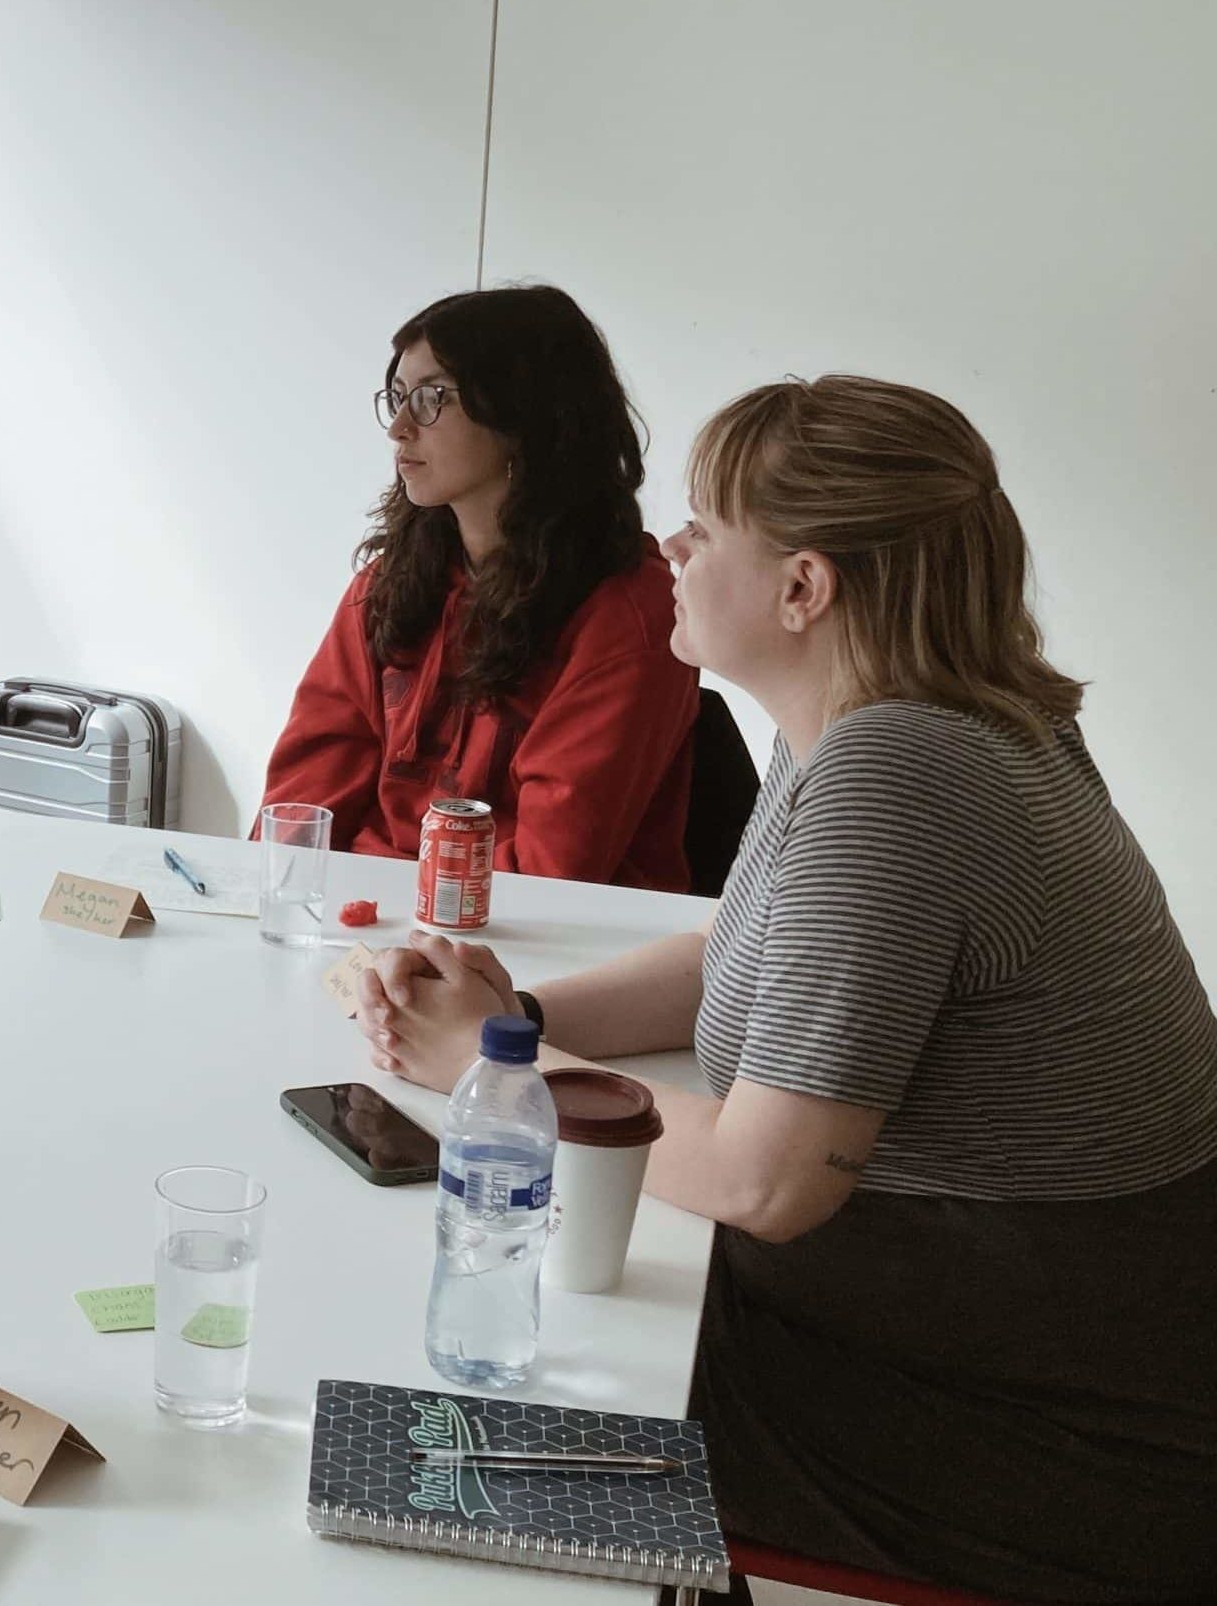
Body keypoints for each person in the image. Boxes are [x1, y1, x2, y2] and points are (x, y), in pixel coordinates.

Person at [352, 376, 1217, 1602]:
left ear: (804, 588)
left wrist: (485, 1073)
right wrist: (518, 1021)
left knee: (428, 1438)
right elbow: (739, 948)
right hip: (1022, 1329)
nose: (672, 546)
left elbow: (766, 1179)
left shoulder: (902, 770)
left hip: (1046, 1427)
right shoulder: (909, 720)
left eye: (704, 525)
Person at [263, 286, 698, 889]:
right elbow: (299, 814)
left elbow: (551, 872)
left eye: (431, 398)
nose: (399, 428)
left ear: (523, 414)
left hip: (545, 955)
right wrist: (275, 907)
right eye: (396, 398)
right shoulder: (388, 584)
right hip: (370, 931)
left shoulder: (630, 614)